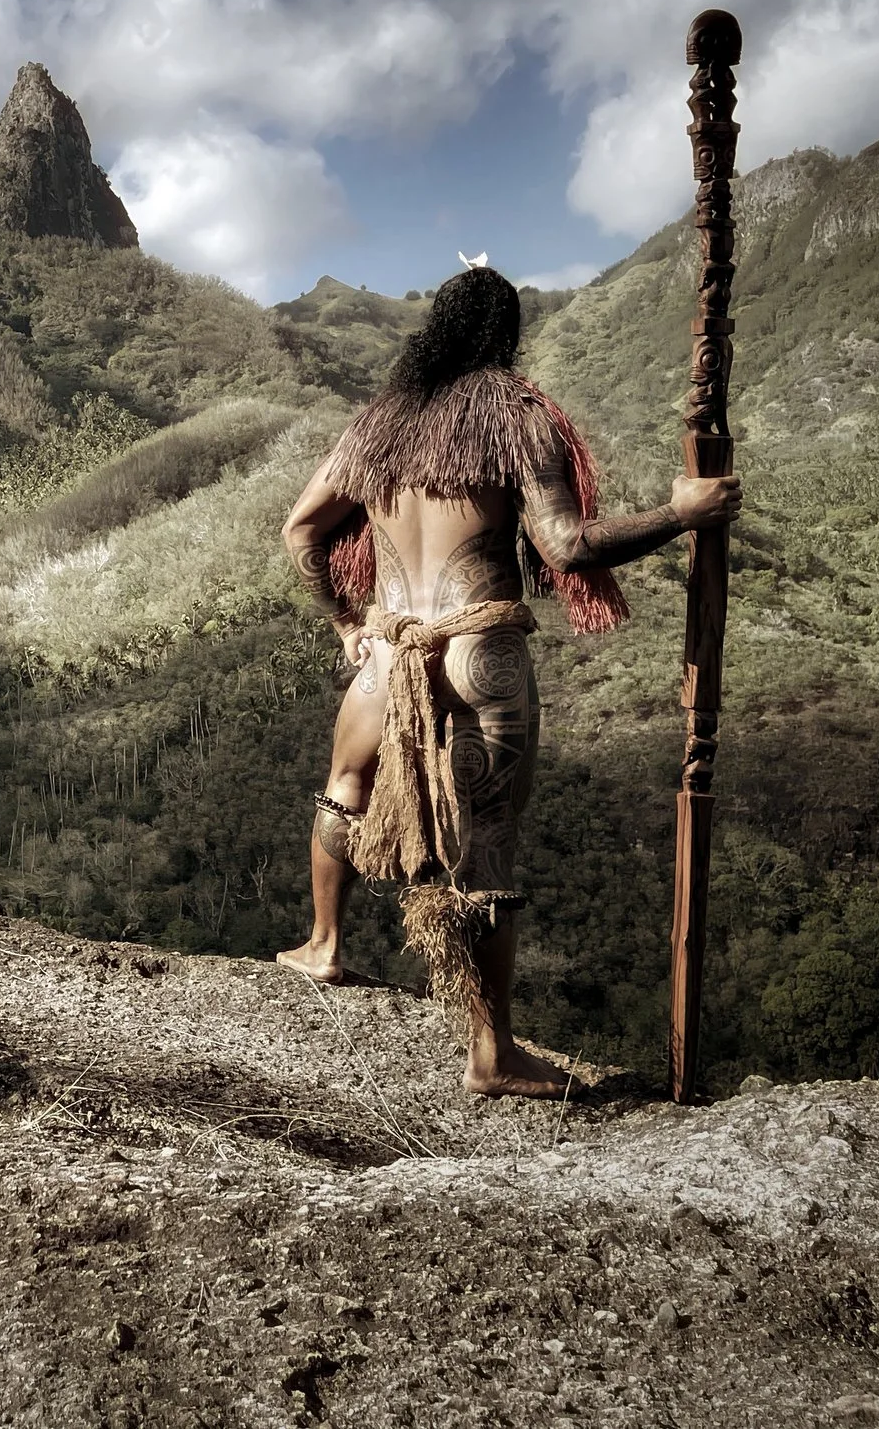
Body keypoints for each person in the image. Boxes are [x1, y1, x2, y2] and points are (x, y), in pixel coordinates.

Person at [276, 265, 740, 1098]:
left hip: (387, 655)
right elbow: (567, 546)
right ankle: (490, 1054)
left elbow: (302, 529)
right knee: (484, 839)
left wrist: (347, 622)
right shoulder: (516, 416)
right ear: (504, 334)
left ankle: (323, 944)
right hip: (476, 653)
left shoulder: (378, 424)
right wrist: (683, 515)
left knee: (345, 784)